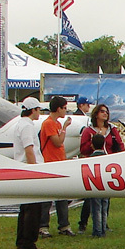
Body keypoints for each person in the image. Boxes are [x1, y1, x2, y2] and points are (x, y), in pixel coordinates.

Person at [12, 96, 47, 249]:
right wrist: (34, 172)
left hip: (22, 168)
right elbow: (29, 149)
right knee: (33, 209)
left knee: (25, 208)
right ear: (33, 110)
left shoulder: (20, 124)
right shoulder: (27, 127)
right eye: (38, 109)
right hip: (30, 169)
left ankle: (22, 241)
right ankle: (29, 244)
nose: (39, 112)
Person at [38, 95, 75, 237]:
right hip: (50, 163)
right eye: (64, 108)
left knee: (62, 197)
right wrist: (65, 128)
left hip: (60, 162)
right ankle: (43, 226)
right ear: (58, 108)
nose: (65, 111)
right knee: (47, 199)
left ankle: (64, 225)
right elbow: (58, 142)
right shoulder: (48, 124)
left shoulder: (57, 124)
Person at [88, 103, 125, 230]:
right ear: (96, 113)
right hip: (93, 167)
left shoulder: (112, 129)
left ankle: (103, 225)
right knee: (92, 200)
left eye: (107, 112)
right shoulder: (89, 130)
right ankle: (89, 225)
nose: (105, 114)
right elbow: (83, 147)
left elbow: (119, 145)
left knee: (105, 200)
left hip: (109, 166)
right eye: (102, 111)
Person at [83, 133, 110, 237]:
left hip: (95, 185)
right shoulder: (107, 157)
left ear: (92, 145)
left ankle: (97, 231)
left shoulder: (90, 158)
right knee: (104, 208)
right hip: (106, 185)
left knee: (96, 209)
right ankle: (103, 228)